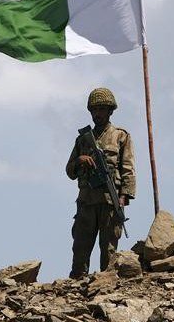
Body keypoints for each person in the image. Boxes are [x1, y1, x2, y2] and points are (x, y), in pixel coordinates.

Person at [66, 88, 136, 278]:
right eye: (94, 110)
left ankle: (106, 285)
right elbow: (69, 171)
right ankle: (76, 286)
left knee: (109, 249)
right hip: (86, 201)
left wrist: (123, 196)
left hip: (109, 202)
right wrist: (80, 160)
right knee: (81, 246)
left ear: (110, 111)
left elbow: (128, 168)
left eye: (102, 109)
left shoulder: (121, 136)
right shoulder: (82, 139)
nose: (97, 114)